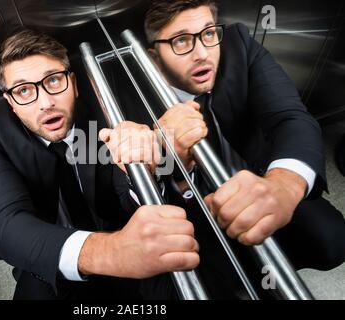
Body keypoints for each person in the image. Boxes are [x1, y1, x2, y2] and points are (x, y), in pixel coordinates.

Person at [0, 29, 201, 299]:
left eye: (53, 80)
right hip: (46, 251)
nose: (46, 102)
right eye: (24, 90)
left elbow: (128, 195)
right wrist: (113, 252)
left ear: (74, 83)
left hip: (121, 230)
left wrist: (145, 170)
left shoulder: (104, 105)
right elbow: (6, 224)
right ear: (11, 103)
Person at [138, 0, 345, 274]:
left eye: (209, 33)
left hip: (258, 176)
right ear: (155, 57)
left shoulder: (238, 45)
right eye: (181, 41)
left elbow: (290, 118)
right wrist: (168, 160)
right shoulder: (133, 91)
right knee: (212, 274)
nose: (202, 53)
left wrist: (282, 186)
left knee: (333, 240)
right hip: (194, 205)